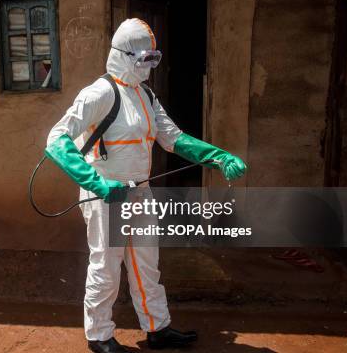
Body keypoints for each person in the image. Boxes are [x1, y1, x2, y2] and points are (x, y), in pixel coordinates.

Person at [45, 18, 247, 352]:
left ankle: (157, 328)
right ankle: (99, 335)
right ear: (124, 56)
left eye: (155, 59)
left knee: (146, 264)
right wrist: (97, 183)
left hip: (140, 192)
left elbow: (174, 139)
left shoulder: (146, 96)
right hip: (106, 196)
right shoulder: (99, 93)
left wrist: (218, 156)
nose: (149, 67)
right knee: (106, 268)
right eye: (144, 60)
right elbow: (56, 139)